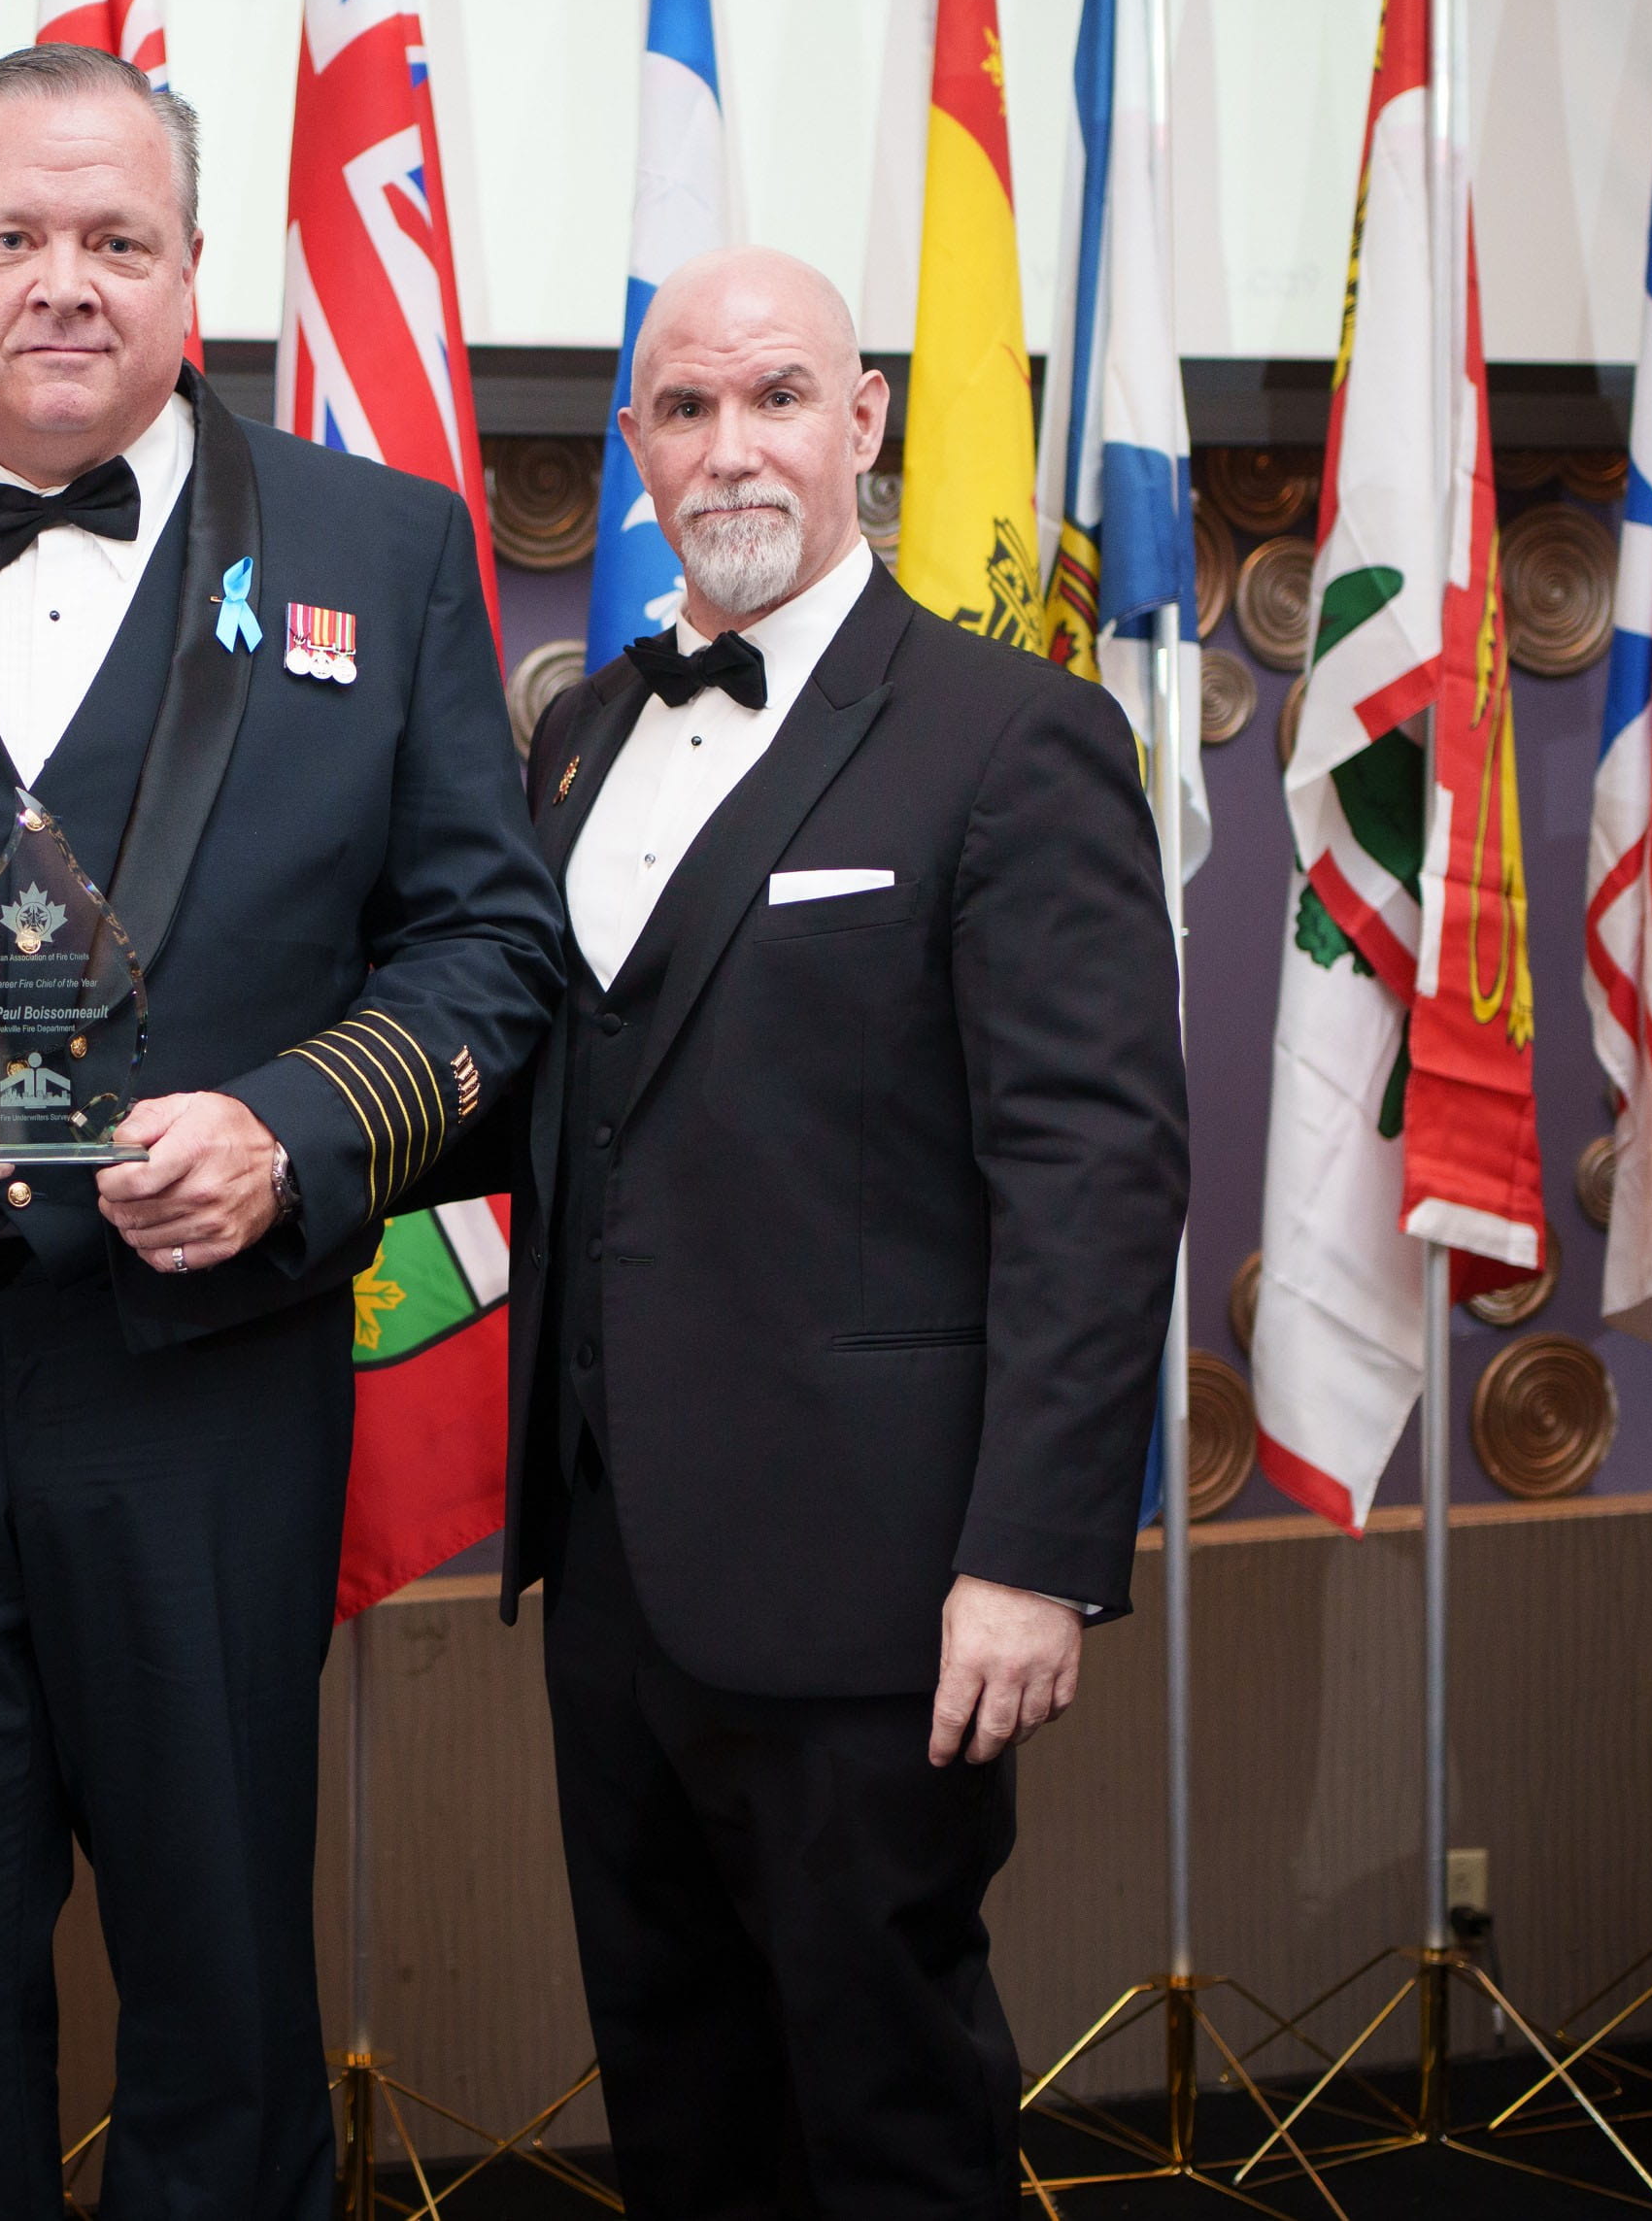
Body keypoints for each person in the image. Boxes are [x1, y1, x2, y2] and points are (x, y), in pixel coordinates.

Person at [0, 44, 564, 2221]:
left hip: (210, 1380)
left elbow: (487, 944)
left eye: (117, 239)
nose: (66, 280)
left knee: (222, 1973)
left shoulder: (383, 544)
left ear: (192, 271)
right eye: (18, 236)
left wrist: (296, 1129)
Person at [498, 245, 1186, 2219]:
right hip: (612, 1569)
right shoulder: (581, 736)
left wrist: (1033, 1557)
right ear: (636, 444)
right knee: (678, 2097)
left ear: (863, 420)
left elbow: (1096, 1169)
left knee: (890, 2113)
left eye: (777, 396)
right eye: (686, 407)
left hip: (882, 1588)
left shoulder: (1010, 734)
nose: (731, 446)